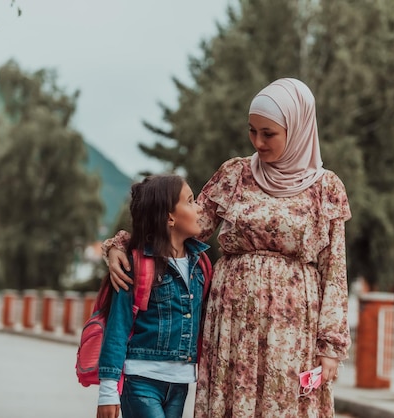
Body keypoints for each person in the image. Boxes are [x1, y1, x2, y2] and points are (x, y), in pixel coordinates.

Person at [104, 78, 352, 417]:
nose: (258, 142)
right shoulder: (235, 174)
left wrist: (331, 347)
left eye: (269, 133)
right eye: (253, 131)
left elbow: (334, 272)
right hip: (232, 324)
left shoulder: (327, 188)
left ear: (298, 130)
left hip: (293, 328)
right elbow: (181, 228)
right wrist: (120, 245)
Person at [97, 174, 210, 418]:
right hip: (141, 380)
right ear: (170, 217)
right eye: (190, 201)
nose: (199, 207)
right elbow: (117, 328)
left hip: (180, 383)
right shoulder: (137, 265)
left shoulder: (200, 265)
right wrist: (108, 390)